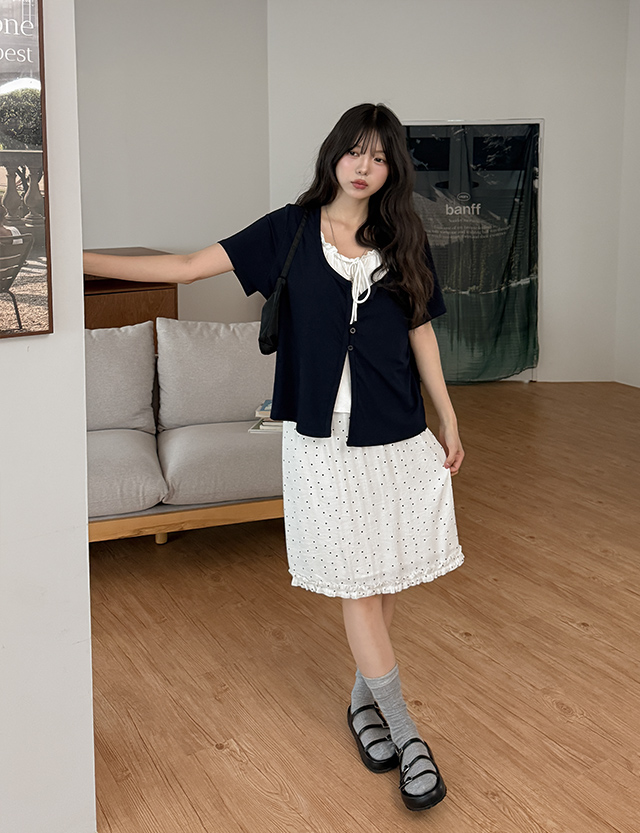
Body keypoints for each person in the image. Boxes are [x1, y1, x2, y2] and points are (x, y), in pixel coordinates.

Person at [83, 103, 465, 813]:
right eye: (354, 151)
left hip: (396, 429)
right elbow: (185, 267)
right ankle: (408, 734)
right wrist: (73, 257)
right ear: (333, 154)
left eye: (380, 157)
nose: (364, 166)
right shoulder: (288, 230)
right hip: (322, 437)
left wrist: (447, 415)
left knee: (383, 574)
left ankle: (362, 703)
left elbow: (421, 330)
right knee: (358, 581)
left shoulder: (404, 238)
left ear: (393, 170)